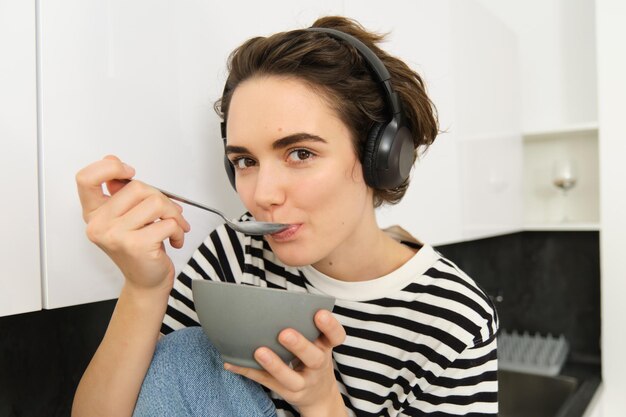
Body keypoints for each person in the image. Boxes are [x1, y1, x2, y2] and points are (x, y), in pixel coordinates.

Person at [73, 16, 498, 417]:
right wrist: (144, 289)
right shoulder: (237, 251)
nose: (263, 195)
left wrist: (323, 404)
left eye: (300, 153)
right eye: (244, 161)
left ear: (381, 158)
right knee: (185, 353)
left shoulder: (453, 318)